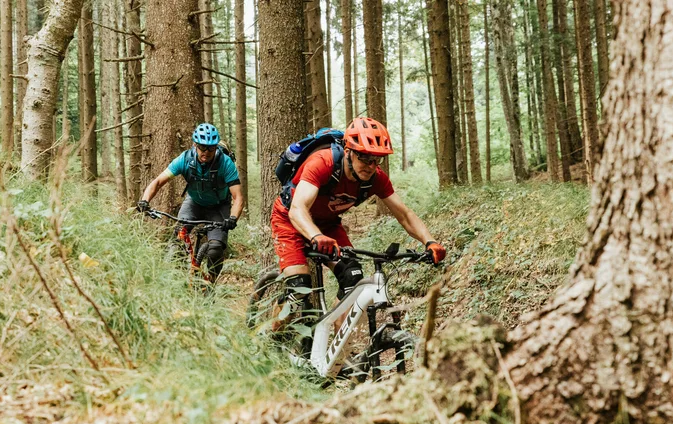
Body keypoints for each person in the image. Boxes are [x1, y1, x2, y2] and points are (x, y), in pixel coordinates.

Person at [271, 116, 446, 311]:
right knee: (298, 293)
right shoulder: (323, 162)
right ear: (348, 152)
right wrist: (315, 235)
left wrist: (429, 241)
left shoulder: (376, 178)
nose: (371, 166)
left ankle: (334, 339)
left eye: (376, 159)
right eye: (364, 157)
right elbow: (297, 209)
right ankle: (270, 337)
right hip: (289, 221)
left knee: (352, 278)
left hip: (327, 225)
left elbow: (404, 214)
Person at [136, 123, 244, 279]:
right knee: (178, 237)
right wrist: (145, 201)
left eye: (211, 148)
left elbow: (238, 197)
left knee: (215, 249)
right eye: (202, 147)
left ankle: (210, 285)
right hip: (194, 202)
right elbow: (158, 181)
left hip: (219, 206)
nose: (206, 153)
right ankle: (176, 279)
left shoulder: (225, 163)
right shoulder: (185, 159)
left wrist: (233, 218)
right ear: (195, 145)